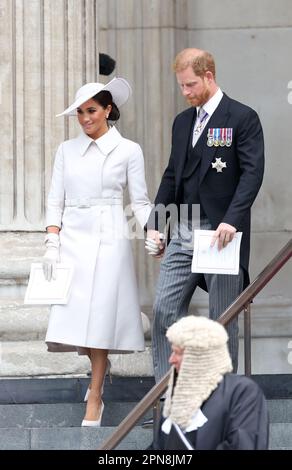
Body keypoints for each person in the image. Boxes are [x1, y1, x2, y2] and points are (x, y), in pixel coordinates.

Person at [146, 48, 265, 381]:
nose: (185, 93)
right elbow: (172, 175)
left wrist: (232, 218)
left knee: (221, 318)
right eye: (181, 86)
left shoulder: (242, 117)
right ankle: (166, 396)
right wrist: (156, 225)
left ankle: (220, 399)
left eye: (190, 85)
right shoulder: (182, 122)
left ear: (209, 76)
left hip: (221, 231)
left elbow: (252, 174)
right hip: (184, 229)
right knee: (163, 310)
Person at [43, 77, 152, 427]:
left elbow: (139, 201)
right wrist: (51, 242)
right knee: (78, 317)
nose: (85, 118)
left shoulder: (129, 150)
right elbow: (54, 198)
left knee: (101, 315)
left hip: (109, 237)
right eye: (80, 112)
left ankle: (95, 395)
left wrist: (156, 230)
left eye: (91, 110)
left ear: (108, 109)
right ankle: (98, 374)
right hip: (72, 236)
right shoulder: (65, 150)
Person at [148, 315, 269, 450]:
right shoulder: (179, 399)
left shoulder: (241, 392)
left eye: (178, 353)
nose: (171, 360)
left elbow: (243, 445)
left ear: (200, 356)